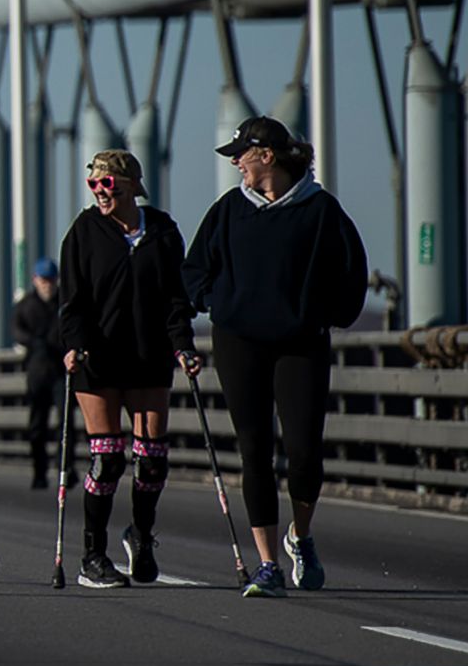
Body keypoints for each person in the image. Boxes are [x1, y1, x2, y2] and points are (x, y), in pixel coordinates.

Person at [182, 116, 367, 598]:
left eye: (241, 154)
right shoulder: (228, 211)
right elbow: (195, 268)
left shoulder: (320, 210)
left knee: (304, 451)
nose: (236, 163)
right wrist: (214, 301)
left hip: (300, 342)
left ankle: (299, 536)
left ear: (267, 155)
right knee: (254, 450)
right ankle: (268, 565)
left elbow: (352, 271)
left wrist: (330, 314)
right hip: (239, 340)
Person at [60, 149, 201, 589]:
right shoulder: (83, 232)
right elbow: (73, 301)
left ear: (131, 186)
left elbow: (177, 299)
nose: (101, 192)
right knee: (106, 460)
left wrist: (183, 346)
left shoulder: (161, 231)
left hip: (148, 358)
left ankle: (140, 534)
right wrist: (75, 344)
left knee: (152, 462)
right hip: (98, 363)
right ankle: (93, 556)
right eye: (95, 185)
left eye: (109, 184)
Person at [12, 257, 78, 490]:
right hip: (37, 372)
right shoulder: (26, 305)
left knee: (66, 424)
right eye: (43, 280)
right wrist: (34, 342)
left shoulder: (64, 302)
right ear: (35, 280)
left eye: (51, 279)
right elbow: (17, 330)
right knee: (37, 426)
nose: (47, 284)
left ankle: (65, 468)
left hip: (62, 373)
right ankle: (39, 471)